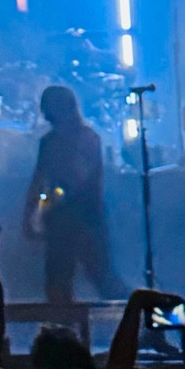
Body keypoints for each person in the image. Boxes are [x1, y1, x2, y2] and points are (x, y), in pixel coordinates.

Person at [22, 83, 122, 308]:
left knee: (102, 279)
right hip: (63, 219)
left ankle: (139, 316)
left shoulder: (87, 139)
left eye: (47, 107)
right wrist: (32, 213)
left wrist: (41, 208)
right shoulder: (50, 142)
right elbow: (39, 181)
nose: (44, 114)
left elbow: (82, 180)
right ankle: (62, 332)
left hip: (85, 218)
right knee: (58, 282)